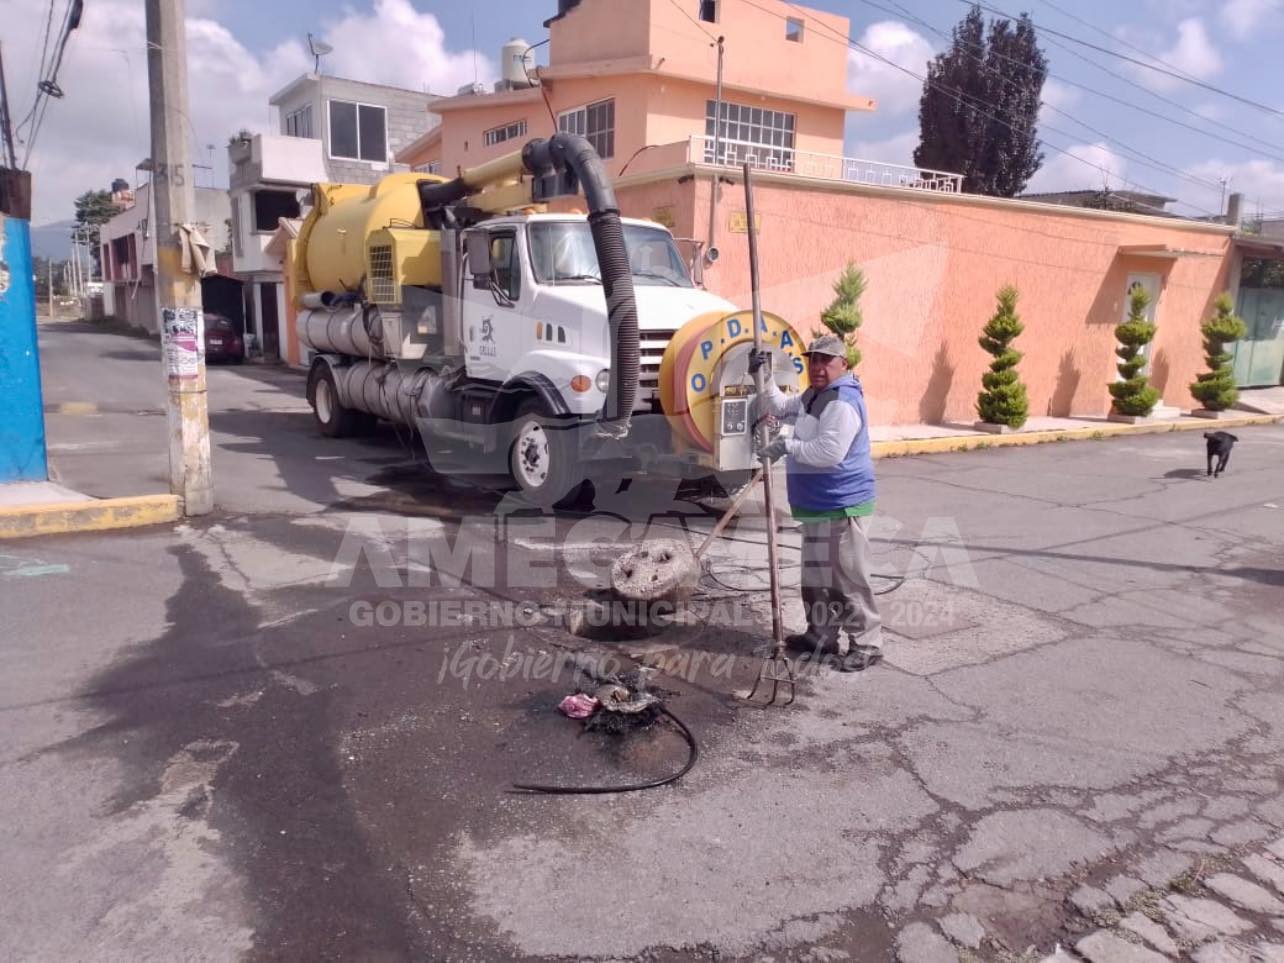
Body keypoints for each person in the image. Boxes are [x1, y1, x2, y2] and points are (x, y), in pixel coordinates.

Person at [749, 335, 883, 672]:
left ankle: (867, 644)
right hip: (817, 504)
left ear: (844, 364)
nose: (818, 367)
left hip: (841, 504)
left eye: (826, 361)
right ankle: (821, 636)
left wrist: (786, 446)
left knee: (845, 580)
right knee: (816, 578)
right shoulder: (815, 395)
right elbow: (779, 407)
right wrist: (762, 376)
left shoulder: (842, 402)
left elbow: (829, 452)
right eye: (814, 361)